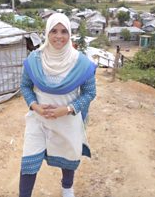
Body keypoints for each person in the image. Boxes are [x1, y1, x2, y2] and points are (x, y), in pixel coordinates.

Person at [19, 13, 97, 197]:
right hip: (38, 119)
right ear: (47, 33)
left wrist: (68, 109)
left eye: (64, 31)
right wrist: (34, 106)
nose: (59, 36)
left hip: (67, 120)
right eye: (54, 31)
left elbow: (89, 93)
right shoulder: (34, 59)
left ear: (70, 34)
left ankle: (67, 188)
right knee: (28, 162)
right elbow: (25, 86)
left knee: (68, 156)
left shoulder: (81, 63)